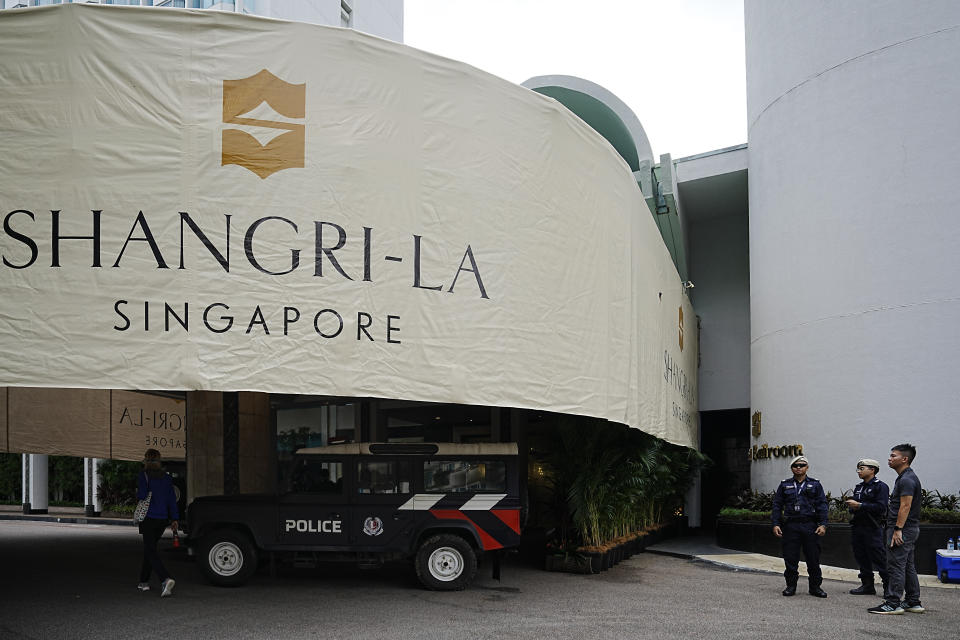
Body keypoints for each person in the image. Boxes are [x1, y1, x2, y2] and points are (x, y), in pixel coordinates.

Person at [868, 444, 924, 614]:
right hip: (909, 528)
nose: (889, 459)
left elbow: (905, 506)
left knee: (896, 566)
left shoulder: (907, 479)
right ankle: (913, 601)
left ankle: (893, 603)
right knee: (907, 565)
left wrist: (898, 529)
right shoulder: (907, 477)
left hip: (902, 529)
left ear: (904, 459)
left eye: (893, 456)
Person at [771, 455, 829, 598]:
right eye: (795, 466)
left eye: (802, 465)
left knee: (813, 558)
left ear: (807, 467)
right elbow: (777, 505)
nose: (798, 468)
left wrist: (823, 524)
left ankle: (815, 587)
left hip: (810, 525)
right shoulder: (784, 485)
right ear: (792, 468)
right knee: (790, 557)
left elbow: (822, 505)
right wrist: (776, 524)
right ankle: (791, 586)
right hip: (791, 525)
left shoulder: (815, 484)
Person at [136, 448, 179, 597]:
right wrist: (174, 519)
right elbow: (172, 500)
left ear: (146, 461)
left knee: (151, 550)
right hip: (162, 520)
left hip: (148, 518)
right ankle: (143, 582)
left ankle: (165, 578)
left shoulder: (144, 476)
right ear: (159, 461)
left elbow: (141, 495)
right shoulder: (167, 478)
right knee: (150, 549)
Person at [845, 458, 889, 595]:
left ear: (872, 470)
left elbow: (881, 507)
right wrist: (852, 506)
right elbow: (855, 506)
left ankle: (889, 587)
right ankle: (867, 585)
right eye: (858, 468)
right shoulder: (859, 487)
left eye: (862, 468)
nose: (859, 471)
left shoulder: (880, 486)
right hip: (858, 526)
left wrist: (860, 506)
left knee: (879, 557)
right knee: (861, 556)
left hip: (873, 527)